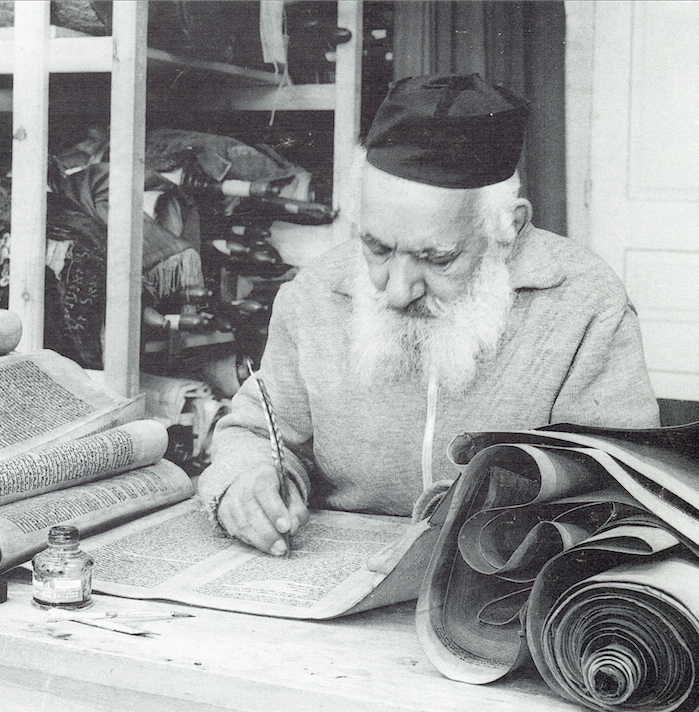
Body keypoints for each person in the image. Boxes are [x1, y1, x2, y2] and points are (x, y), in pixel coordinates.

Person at [197, 73, 660, 558]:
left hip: (506, 582)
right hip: (333, 573)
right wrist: (246, 479)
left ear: (509, 227)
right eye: (376, 247)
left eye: (437, 258)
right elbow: (256, 431)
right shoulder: (313, 295)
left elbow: (623, 485)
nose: (397, 292)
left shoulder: (586, 302)